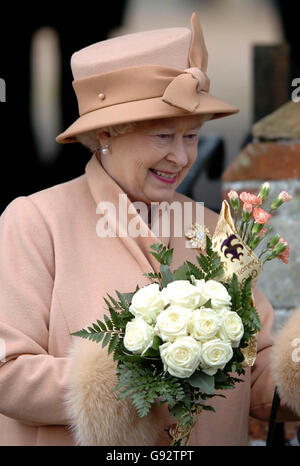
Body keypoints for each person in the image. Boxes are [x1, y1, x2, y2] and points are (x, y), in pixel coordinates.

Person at [0, 12, 298, 447]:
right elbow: (8, 371)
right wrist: (136, 378)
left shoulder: (219, 230)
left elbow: (258, 371)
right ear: (106, 134)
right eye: (163, 136)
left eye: (192, 136)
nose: (181, 158)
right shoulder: (34, 221)